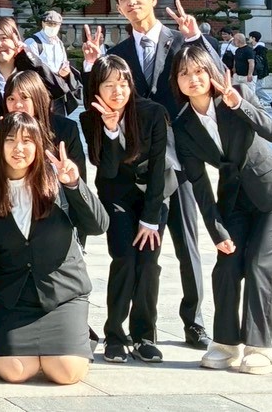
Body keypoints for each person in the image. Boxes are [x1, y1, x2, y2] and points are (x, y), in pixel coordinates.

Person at [82, 0, 220, 350]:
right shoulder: (118, 55)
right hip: (139, 165)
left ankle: (194, 321)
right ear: (119, 8)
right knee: (144, 253)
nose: (131, 3)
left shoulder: (180, 40)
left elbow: (214, 77)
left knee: (187, 244)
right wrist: (91, 67)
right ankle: (142, 331)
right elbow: (98, 103)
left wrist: (196, 38)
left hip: (183, 160)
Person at [171, 46, 272, 375]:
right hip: (235, 201)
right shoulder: (183, 126)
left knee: (259, 265)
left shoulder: (238, 93)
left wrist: (239, 105)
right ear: (177, 81)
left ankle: (261, 347)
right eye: (184, 73)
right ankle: (225, 344)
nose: (193, 78)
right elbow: (199, 184)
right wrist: (217, 232)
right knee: (226, 266)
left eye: (199, 71)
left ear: (211, 72)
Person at [0, 111, 109, 384]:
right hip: (12, 298)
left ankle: (76, 338)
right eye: (10, 140)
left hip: (62, 293)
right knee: (14, 372)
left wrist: (74, 184)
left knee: (66, 373)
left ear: (39, 145)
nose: (18, 148)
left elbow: (98, 225)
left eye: (27, 141)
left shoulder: (58, 180)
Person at [81, 56, 172, 363]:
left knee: (148, 263)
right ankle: (115, 335)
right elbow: (106, 170)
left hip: (153, 197)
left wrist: (150, 219)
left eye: (123, 83)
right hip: (116, 196)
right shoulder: (90, 118)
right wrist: (110, 131)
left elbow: (159, 167)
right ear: (97, 88)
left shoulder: (152, 112)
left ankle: (144, 335)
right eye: (108, 85)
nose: (117, 91)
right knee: (124, 258)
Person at [23, 11, 79, 116]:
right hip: (40, 91)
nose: (52, 27)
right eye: (49, 24)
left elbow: (64, 63)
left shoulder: (59, 43)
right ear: (43, 23)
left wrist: (65, 72)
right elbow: (30, 68)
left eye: (55, 24)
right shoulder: (33, 42)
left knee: (59, 122)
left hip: (58, 92)